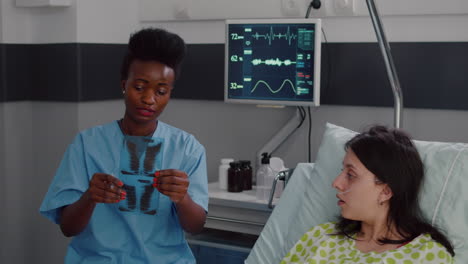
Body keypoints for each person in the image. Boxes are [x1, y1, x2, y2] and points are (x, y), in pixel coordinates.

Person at [40, 28, 208, 263]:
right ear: (123, 85)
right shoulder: (88, 145)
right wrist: (90, 197)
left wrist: (183, 199)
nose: (149, 99)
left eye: (161, 91)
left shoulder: (187, 148)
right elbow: (68, 228)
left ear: (169, 93)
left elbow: (196, 226)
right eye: (139, 87)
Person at [280, 126, 454, 263]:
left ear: (386, 191)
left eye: (351, 175)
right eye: (342, 172)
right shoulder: (320, 237)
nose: (336, 183)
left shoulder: (425, 256)